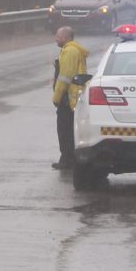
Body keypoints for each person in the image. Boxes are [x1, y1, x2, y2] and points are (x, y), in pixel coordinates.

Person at [50, 26, 89, 169]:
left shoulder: (69, 51)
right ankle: (70, 158)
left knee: (64, 130)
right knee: (70, 130)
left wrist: (56, 97)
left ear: (66, 38)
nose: (56, 38)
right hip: (73, 98)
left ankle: (67, 160)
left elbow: (64, 78)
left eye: (58, 36)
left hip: (67, 99)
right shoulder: (74, 50)